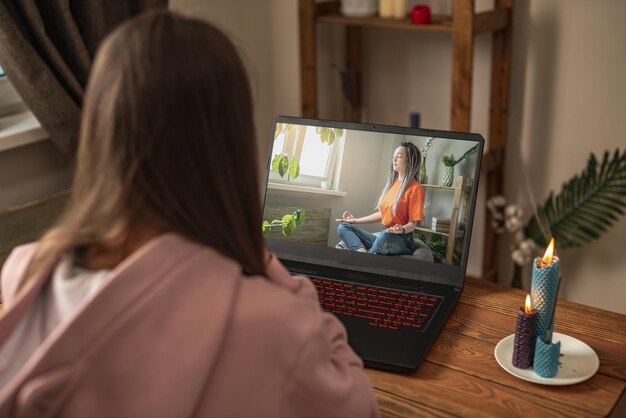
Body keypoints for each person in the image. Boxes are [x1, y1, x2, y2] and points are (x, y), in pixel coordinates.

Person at [0, 11, 379, 418]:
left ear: (100, 132)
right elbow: (361, 407)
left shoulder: (25, 272)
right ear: (229, 148)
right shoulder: (274, 325)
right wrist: (283, 283)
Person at [336, 142, 424, 256]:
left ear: (410, 160)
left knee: (385, 235)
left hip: (402, 240)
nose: (394, 159)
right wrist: (355, 220)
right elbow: (383, 214)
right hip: (385, 234)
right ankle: (361, 252)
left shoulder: (416, 188)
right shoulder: (392, 183)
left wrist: (401, 229)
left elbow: (412, 224)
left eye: (399, 156)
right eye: (394, 157)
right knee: (343, 226)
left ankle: (364, 260)